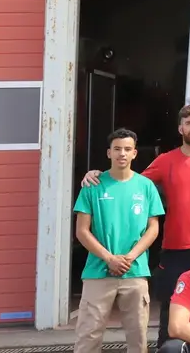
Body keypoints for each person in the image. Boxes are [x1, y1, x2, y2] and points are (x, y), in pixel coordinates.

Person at [82, 104, 190, 348]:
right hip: (174, 249)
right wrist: (97, 174)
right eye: (189, 123)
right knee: (171, 307)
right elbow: (130, 181)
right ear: (180, 128)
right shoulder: (165, 160)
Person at [73, 128, 164, 353]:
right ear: (109, 153)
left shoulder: (146, 186)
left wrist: (130, 257)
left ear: (134, 153)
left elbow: (153, 228)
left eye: (127, 149)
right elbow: (82, 231)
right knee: (88, 336)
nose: (122, 153)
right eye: (117, 149)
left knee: (138, 337)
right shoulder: (92, 185)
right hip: (98, 271)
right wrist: (109, 258)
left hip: (135, 271)